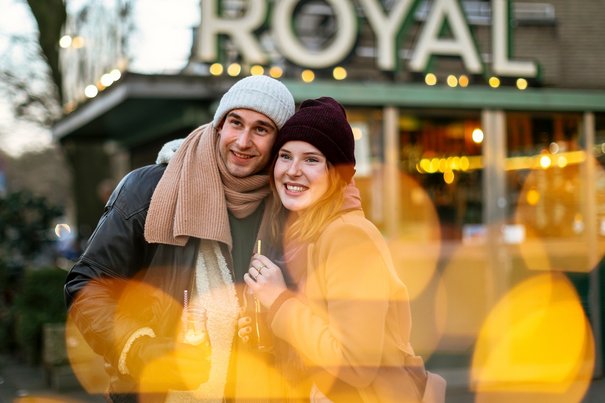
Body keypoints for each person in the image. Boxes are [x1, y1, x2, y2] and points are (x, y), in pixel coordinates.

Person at [64, 75, 296, 402]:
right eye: (235, 122)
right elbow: (87, 283)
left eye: (261, 129)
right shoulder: (147, 189)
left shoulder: (283, 206)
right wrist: (140, 348)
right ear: (219, 125)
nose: (243, 141)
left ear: (277, 141)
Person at [241, 97, 445, 402]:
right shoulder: (305, 232)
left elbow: (354, 363)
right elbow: (317, 332)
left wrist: (280, 301)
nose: (293, 170)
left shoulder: (349, 236)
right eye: (285, 156)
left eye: (311, 160)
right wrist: (267, 320)